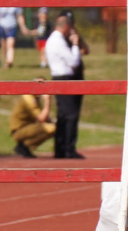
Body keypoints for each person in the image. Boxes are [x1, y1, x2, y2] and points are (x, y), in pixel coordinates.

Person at [46, 11, 86, 159]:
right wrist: (75, 44)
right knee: (70, 115)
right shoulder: (58, 40)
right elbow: (74, 62)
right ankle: (67, 149)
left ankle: (61, 148)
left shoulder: (54, 39)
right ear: (66, 26)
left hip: (60, 78)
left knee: (63, 115)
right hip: (64, 78)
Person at [10, 80, 55, 158]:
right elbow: (41, 119)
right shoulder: (29, 98)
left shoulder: (34, 97)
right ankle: (24, 146)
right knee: (52, 128)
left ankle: (24, 146)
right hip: (19, 130)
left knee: (52, 126)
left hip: (26, 127)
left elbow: (43, 117)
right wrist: (47, 100)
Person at [0, 0, 28, 69]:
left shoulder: (16, 5)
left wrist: (23, 27)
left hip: (12, 26)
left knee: (10, 45)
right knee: (4, 46)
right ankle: (6, 60)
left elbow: (19, 16)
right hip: (2, 26)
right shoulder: (0, 4)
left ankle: (9, 61)